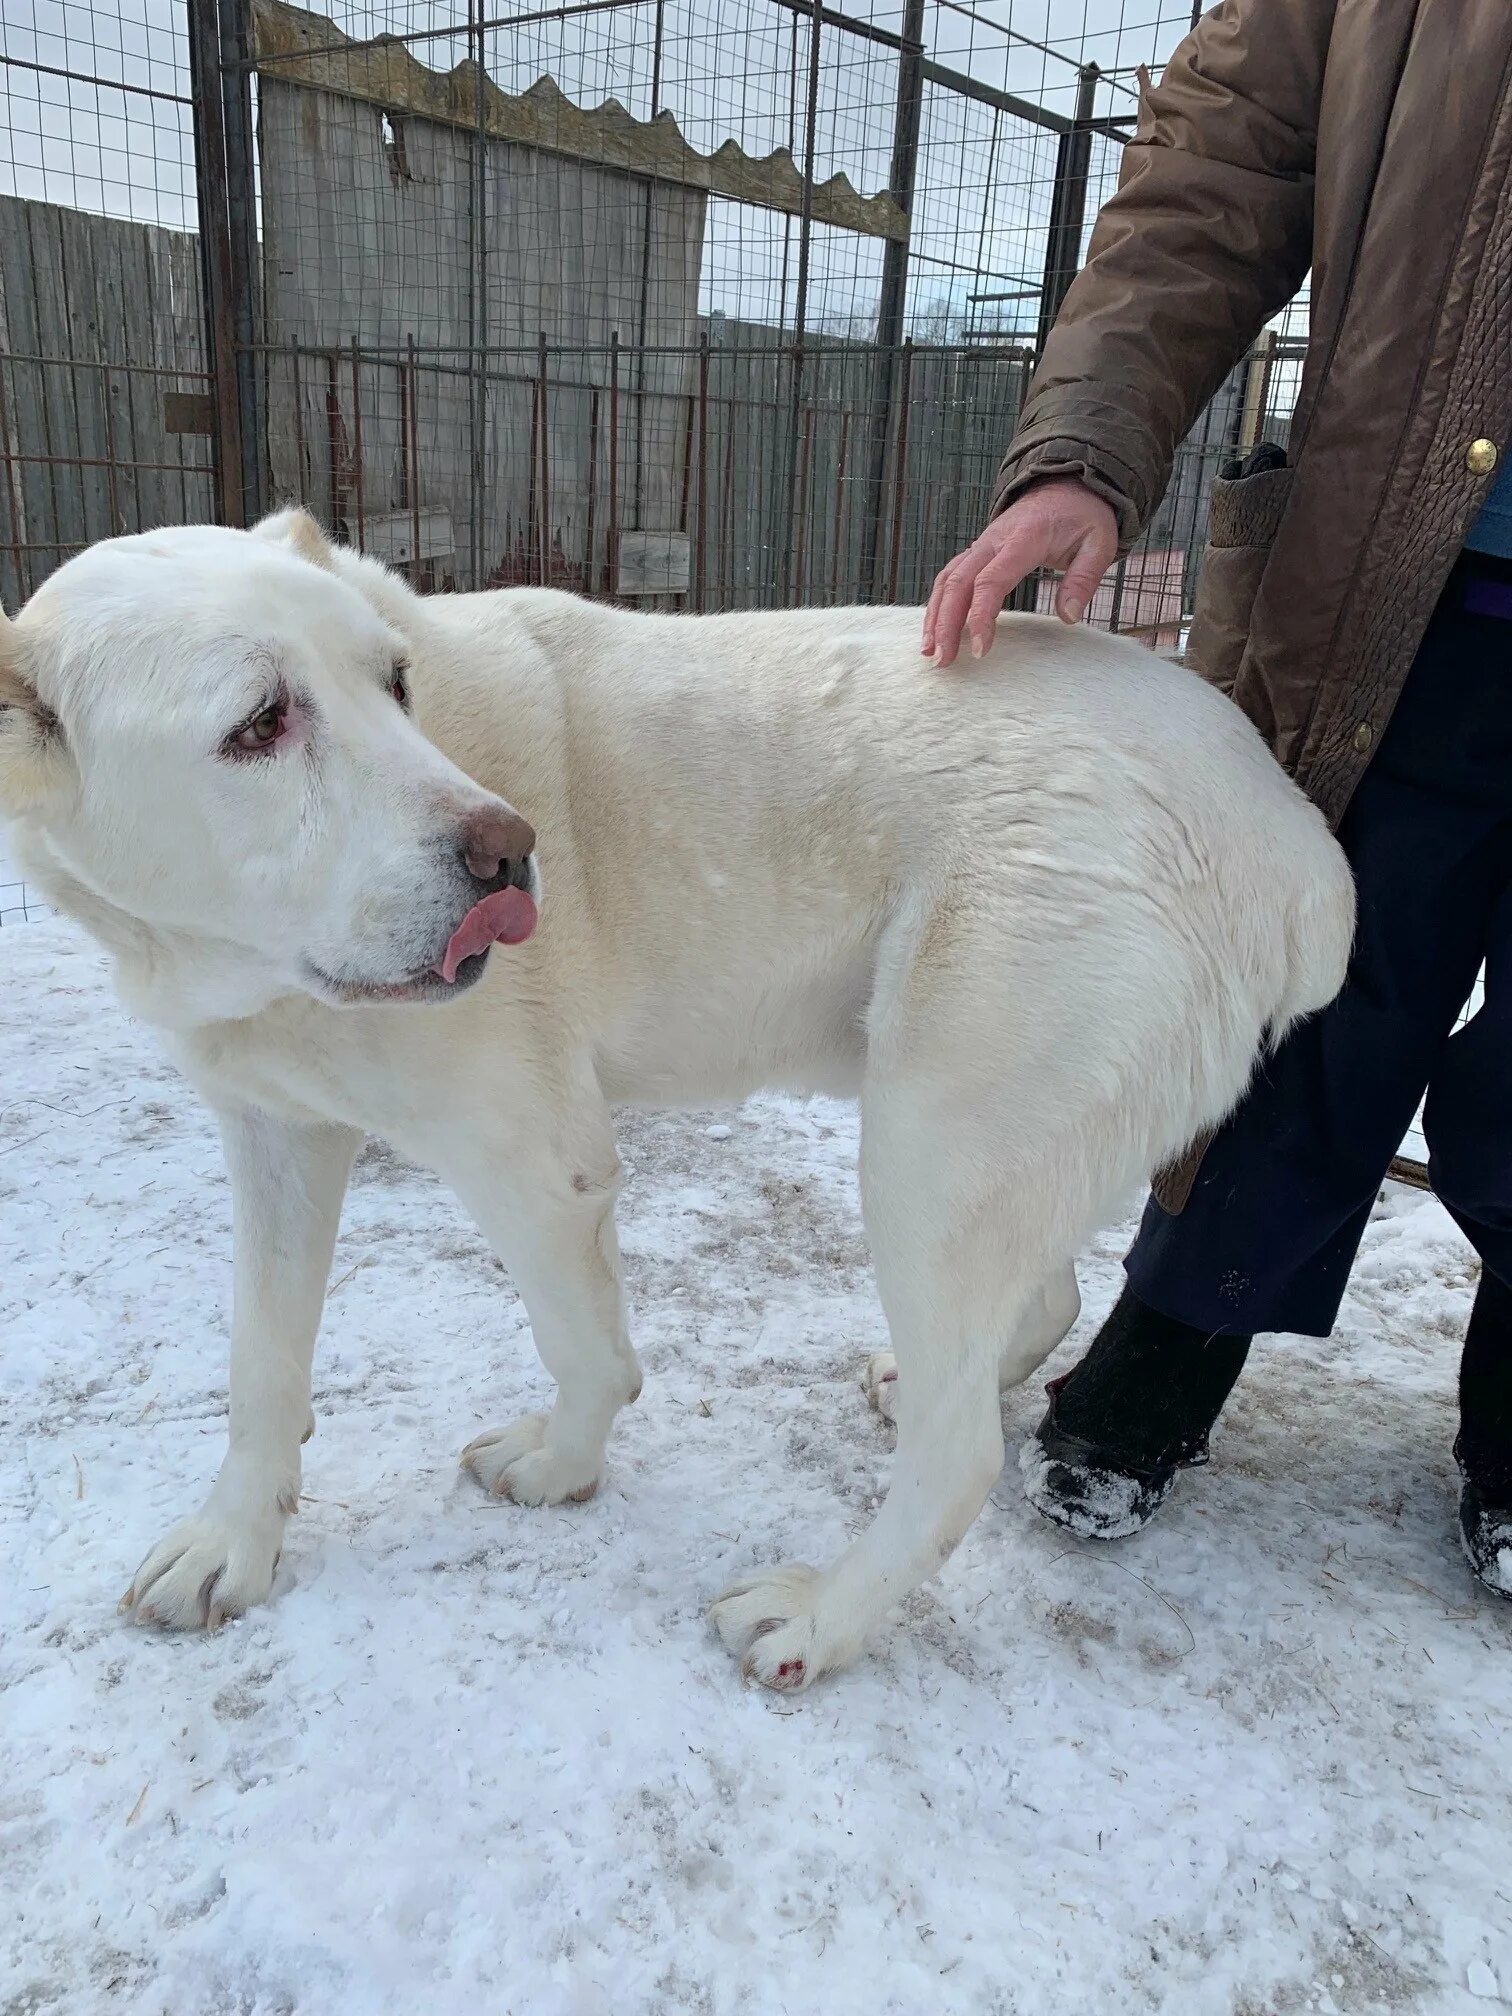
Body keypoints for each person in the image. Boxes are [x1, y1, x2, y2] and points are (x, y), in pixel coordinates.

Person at [923, 0, 1512, 1596]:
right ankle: (1174, 1341)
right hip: (1409, 590)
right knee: (1307, 993)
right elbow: (1211, 173)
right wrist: (1083, 449)